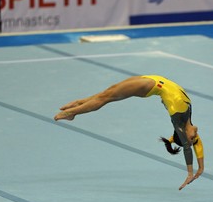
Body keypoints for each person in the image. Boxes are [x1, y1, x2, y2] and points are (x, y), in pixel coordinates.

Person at [54, 75, 204, 190]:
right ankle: (79, 103)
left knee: (107, 97)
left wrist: (190, 173)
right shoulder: (188, 118)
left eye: (192, 138)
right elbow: (194, 145)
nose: (196, 137)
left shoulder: (178, 119)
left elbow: (187, 147)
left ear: (183, 134)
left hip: (150, 86)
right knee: (109, 92)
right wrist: (201, 168)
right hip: (151, 79)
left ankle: (72, 112)